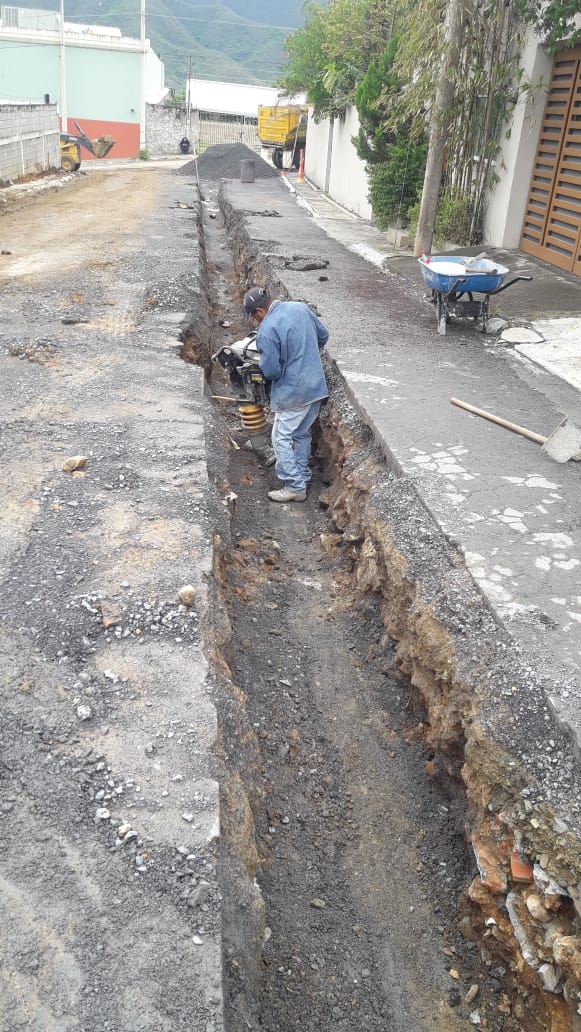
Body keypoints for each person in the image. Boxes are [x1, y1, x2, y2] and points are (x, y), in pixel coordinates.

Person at [243, 286, 329, 503]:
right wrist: (303, 355)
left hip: (294, 393)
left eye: (254, 317)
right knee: (300, 433)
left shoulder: (267, 330)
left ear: (259, 312)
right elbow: (323, 335)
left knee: (280, 437)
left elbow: (271, 370)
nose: (256, 321)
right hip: (316, 387)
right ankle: (303, 475)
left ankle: (294, 485)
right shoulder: (299, 308)